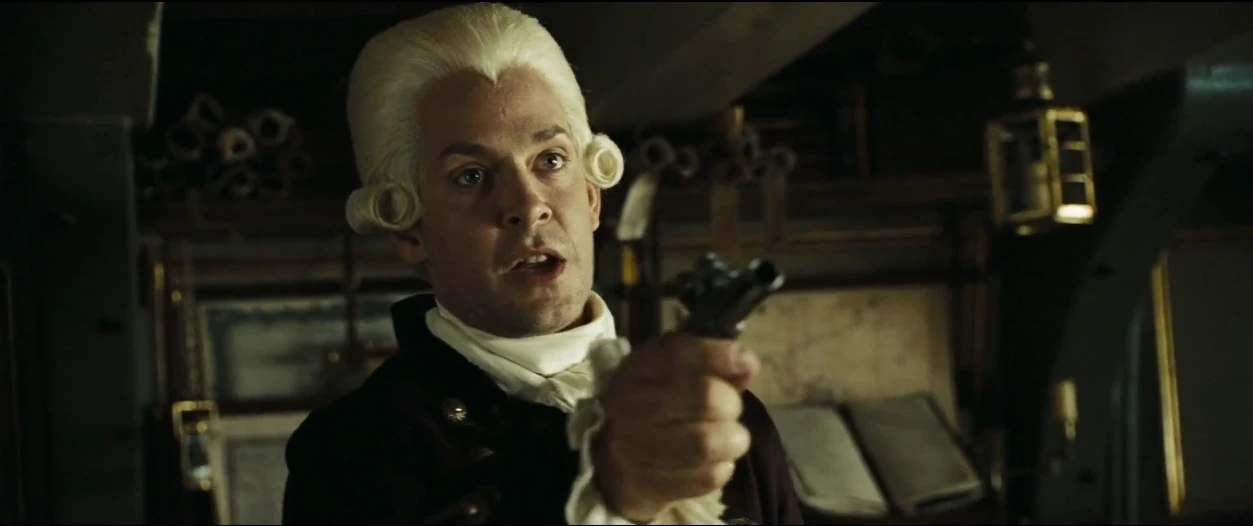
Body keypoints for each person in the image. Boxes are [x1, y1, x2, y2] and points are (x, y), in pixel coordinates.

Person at [281, 3, 803, 524]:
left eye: (550, 160)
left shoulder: (727, 423)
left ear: (593, 196)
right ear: (410, 231)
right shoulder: (347, 453)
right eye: (470, 176)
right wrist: (610, 486)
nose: (528, 204)